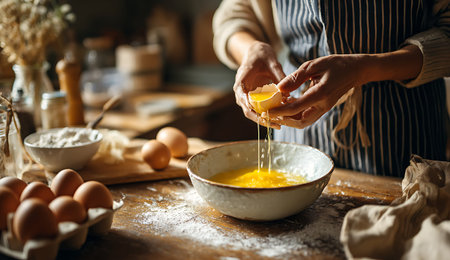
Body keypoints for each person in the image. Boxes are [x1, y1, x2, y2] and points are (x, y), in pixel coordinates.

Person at [212, 0, 450, 177]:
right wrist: (250, 50)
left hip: (405, 133)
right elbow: (233, 15)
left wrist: (367, 68)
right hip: (298, 131)